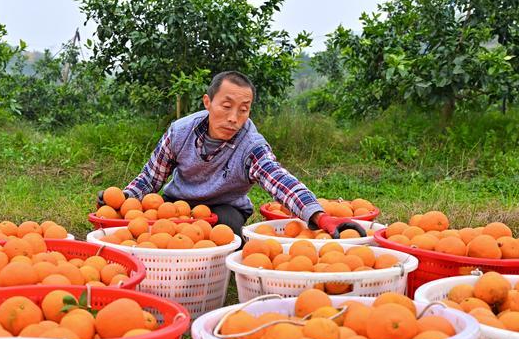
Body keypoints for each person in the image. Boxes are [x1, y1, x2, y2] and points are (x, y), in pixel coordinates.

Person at [97, 71, 365, 237]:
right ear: (208, 102)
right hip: (176, 202)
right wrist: (124, 199)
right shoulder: (180, 131)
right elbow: (150, 178)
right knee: (149, 227)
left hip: (224, 208)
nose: (234, 118)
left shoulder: (251, 145)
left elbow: (280, 180)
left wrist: (322, 217)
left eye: (243, 109)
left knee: (228, 231)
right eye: (226, 106)